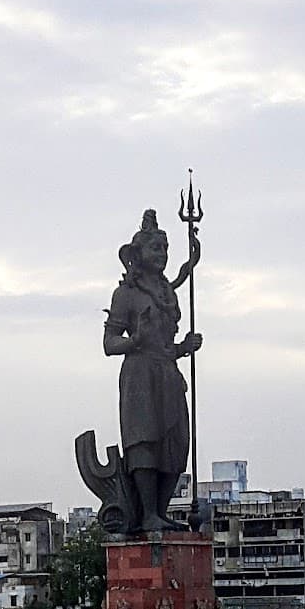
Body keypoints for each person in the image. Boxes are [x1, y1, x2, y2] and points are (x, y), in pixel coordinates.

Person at [104, 209, 201, 533]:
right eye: (155, 249)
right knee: (144, 441)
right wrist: (137, 340)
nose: (161, 255)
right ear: (138, 255)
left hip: (167, 371)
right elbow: (109, 342)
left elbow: (166, 344)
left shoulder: (167, 292)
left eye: (165, 249)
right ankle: (147, 513)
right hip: (140, 374)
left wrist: (182, 348)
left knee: (175, 442)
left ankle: (160, 510)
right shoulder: (125, 294)